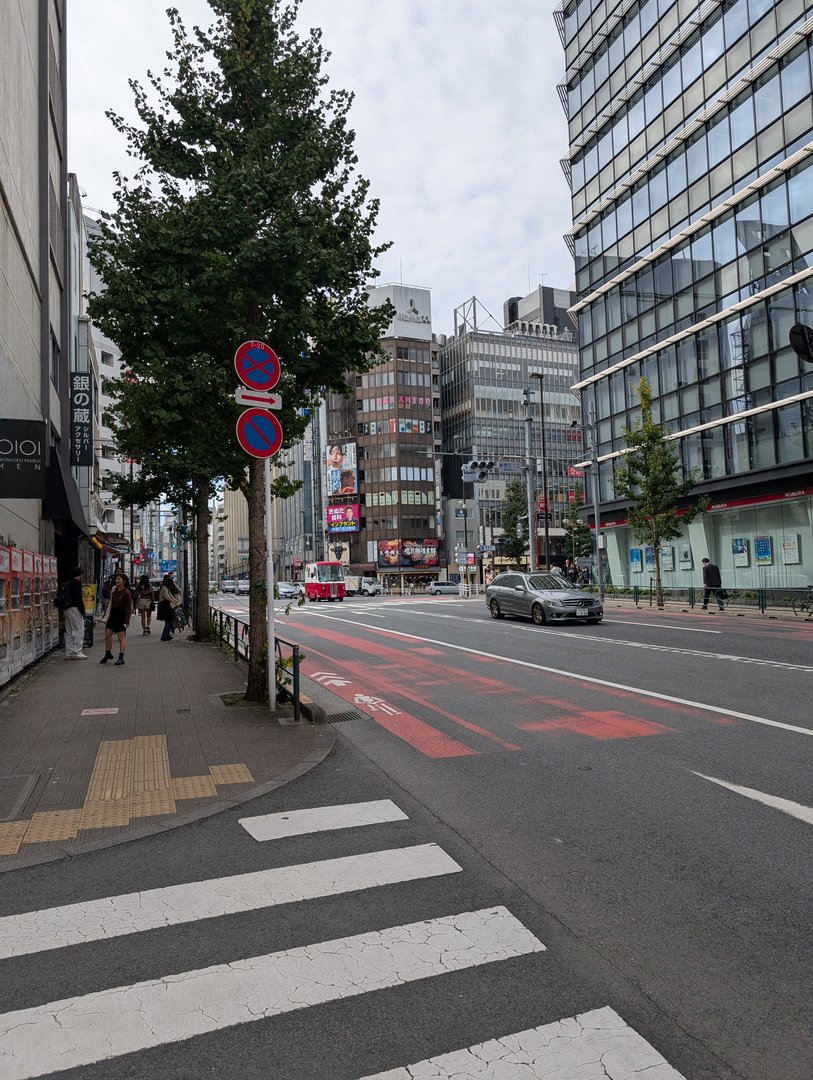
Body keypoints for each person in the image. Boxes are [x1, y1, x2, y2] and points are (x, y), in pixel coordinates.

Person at [100, 572, 132, 665]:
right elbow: (110, 603)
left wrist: (127, 620)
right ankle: (107, 653)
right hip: (113, 614)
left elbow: (128, 608)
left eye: (119, 579)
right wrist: (106, 614)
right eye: (116, 579)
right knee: (107, 635)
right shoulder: (114, 590)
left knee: (121, 638)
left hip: (121, 615)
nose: (117, 581)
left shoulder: (126, 592)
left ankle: (121, 658)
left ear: (124, 581)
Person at [62, 566, 87, 660]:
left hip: (66, 608)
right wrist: (83, 611)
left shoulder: (68, 583)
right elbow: (78, 598)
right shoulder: (77, 583)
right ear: (80, 575)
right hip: (74, 608)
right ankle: (77, 652)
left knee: (69, 630)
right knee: (79, 629)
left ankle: (69, 652)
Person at [157, 574, 183, 641]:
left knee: (168, 621)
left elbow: (171, 596)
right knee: (168, 621)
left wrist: (177, 602)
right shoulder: (164, 589)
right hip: (163, 607)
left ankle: (167, 635)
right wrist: (176, 603)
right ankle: (164, 636)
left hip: (165, 606)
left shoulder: (166, 588)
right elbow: (168, 597)